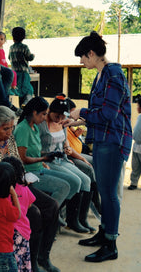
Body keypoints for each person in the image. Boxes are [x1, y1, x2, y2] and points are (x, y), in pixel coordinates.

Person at [68, 31, 132, 263]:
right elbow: (100, 113)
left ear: (92, 53)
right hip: (104, 139)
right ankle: (104, 234)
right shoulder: (102, 75)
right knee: (104, 193)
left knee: (109, 195)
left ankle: (111, 244)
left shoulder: (113, 74)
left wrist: (81, 112)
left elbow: (108, 113)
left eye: (83, 58)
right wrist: (75, 120)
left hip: (113, 141)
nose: (82, 62)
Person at [0, 105, 60, 272]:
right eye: (6, 128)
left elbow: (18, 163)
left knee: (52, 205)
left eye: (12, 127)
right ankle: (31, 262)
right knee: (33, 214)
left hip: (17, 186)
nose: (10, 132)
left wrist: (24, 179)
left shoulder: (9, 139)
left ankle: (43, 256)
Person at [38, 95, 93, 234]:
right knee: (75, 181)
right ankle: (62, 216)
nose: (60, 120)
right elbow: (35, 148)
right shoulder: (41, 125)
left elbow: (65, 144)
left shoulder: (62, 124)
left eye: (63, 117)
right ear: (50, 111)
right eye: (57, 116)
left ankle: (78, 219)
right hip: (48, 160)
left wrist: (73, 153)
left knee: (86, 180)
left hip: (62, 158)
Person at [2, 156, 35, 272]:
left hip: (12, 231)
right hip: (24, 231)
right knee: (23, 260)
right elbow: (30, 203)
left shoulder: (5, 190)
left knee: (14, 264)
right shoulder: (24, 187)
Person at [8, 27, 34, 107]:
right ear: (24, 37)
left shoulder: (11, 48)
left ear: (13, 37)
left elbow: (9, 57)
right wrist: (33, 55)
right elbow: (30, 57)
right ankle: (25, 103)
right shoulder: (24, 47)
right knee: (29, 90)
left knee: (19, 91)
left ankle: (21, 106)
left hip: (15, 73)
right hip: (23, 73)